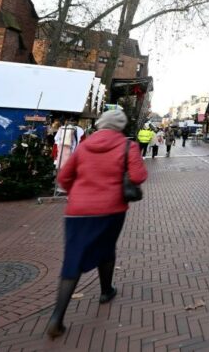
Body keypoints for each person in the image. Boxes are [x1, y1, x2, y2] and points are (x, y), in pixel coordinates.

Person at [46, 110, 147, 339]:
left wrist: (79, 194)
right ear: (121, 126)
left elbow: (64, 177)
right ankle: (105, 290)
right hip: (111, 209)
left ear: (100, 124)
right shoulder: (127, 146)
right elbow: (139, 176)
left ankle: (57, 317)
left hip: (77, 211)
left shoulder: (83, 146)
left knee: (73, 258)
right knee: (107, 247)